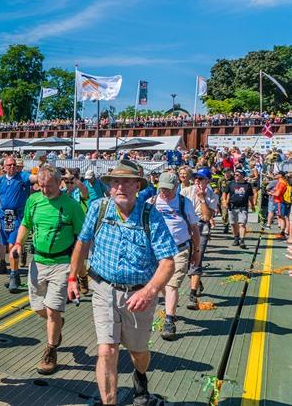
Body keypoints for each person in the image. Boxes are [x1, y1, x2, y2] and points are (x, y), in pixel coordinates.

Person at [68, 160, 177, 406]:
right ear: (109, 187)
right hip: (103, 289)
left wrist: (149, 291)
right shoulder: (98, 208)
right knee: (106, 350)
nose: (121, 187)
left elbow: (167, 263)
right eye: (116, 182)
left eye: (128, 182)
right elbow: (83, 242)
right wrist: (73, 277)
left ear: (137, 186)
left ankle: (140, 375)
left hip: (139, 296)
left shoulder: (150, 215)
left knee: (138, 352)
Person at [13, 164, 85, 374]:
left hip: (62, 263)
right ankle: (57, 323)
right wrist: (18, 243)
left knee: (53, 310)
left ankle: (51, 350)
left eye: (48, 186)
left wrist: (77, 269)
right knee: (38, 308)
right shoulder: (33, 201)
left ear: (59, 183)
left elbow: (82, 237)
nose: (44, 190)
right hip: (38, 262)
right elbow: (25, 223)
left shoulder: (71, 206)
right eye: (41, 186)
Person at [149, 171, 200, 341]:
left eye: (168, 189)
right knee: (163, 284)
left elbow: (194, 228)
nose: (165, 192)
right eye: (162, 189)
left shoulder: (185, 203)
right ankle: (170, 308)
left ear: (176, 187)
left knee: (172, 284)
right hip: (157, 250)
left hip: (180, 249)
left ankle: (169, 321)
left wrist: (197, 251)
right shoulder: (151, 202)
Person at [0, 155, 36, 292]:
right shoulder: (0, 180)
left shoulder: (22, 177)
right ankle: (14, 273)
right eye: (9, 165)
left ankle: (13, 275)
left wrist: (43, 173)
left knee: (13, 245)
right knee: (4, 244)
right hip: (4, 216)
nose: (12, 167)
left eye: (14, 165)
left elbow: (34, 178)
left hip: (17, 216)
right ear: (4, 167)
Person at [181, 168, 219, 308]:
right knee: (184, 261)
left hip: (201, 226)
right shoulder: (186, 191)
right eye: (196, 178)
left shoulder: (212, 196)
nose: (197, 180)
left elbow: (207, 217)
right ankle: (197, 280)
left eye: (201, 178)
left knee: (197, 259)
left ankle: (192, 294)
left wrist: (202, 199)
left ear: (207, 181)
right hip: (185, 226)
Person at [223, 169, 256, 249]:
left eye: (237, 175)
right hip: (232, 207)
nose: (235, 176)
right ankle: (236, 238)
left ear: (242, 175)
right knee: (233, 224)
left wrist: (252, 205)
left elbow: (250, 196)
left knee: (242, 224)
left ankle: (242, 240)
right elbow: (225, 192)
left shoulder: (247, 185)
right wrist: (224, 201)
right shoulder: (231, 184)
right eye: (235, 175)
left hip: (243, 207)